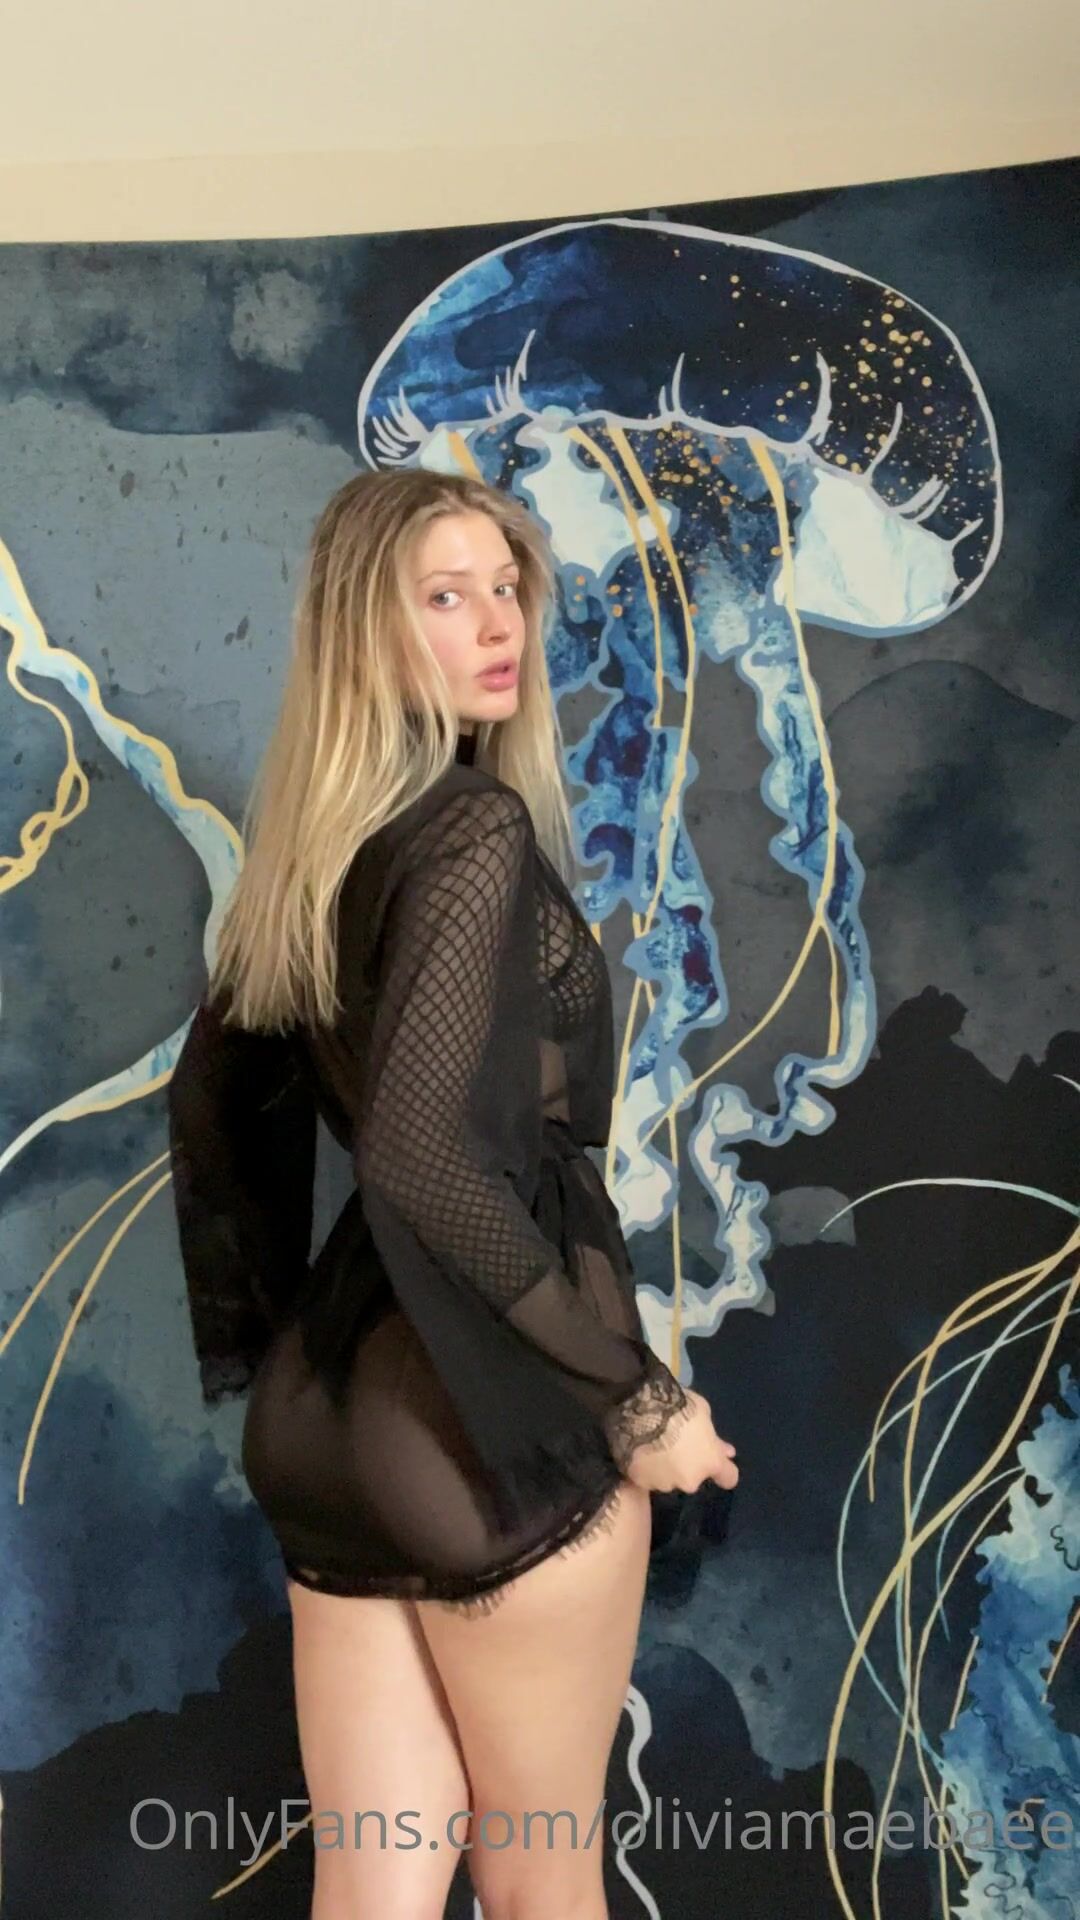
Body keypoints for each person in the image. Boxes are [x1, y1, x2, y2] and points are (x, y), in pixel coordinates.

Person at [166, 467, 739, 1920]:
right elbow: (425, 1159)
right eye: (445, 595)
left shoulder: (314, 848)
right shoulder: (471, 833)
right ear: (366, 628)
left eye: (506, 589)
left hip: (334, 1418)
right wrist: (638, 1399)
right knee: (545, 1887)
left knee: (371, 1894)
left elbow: (217, 1106)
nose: (499, 626)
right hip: (489, 1422)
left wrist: (291, 1341)